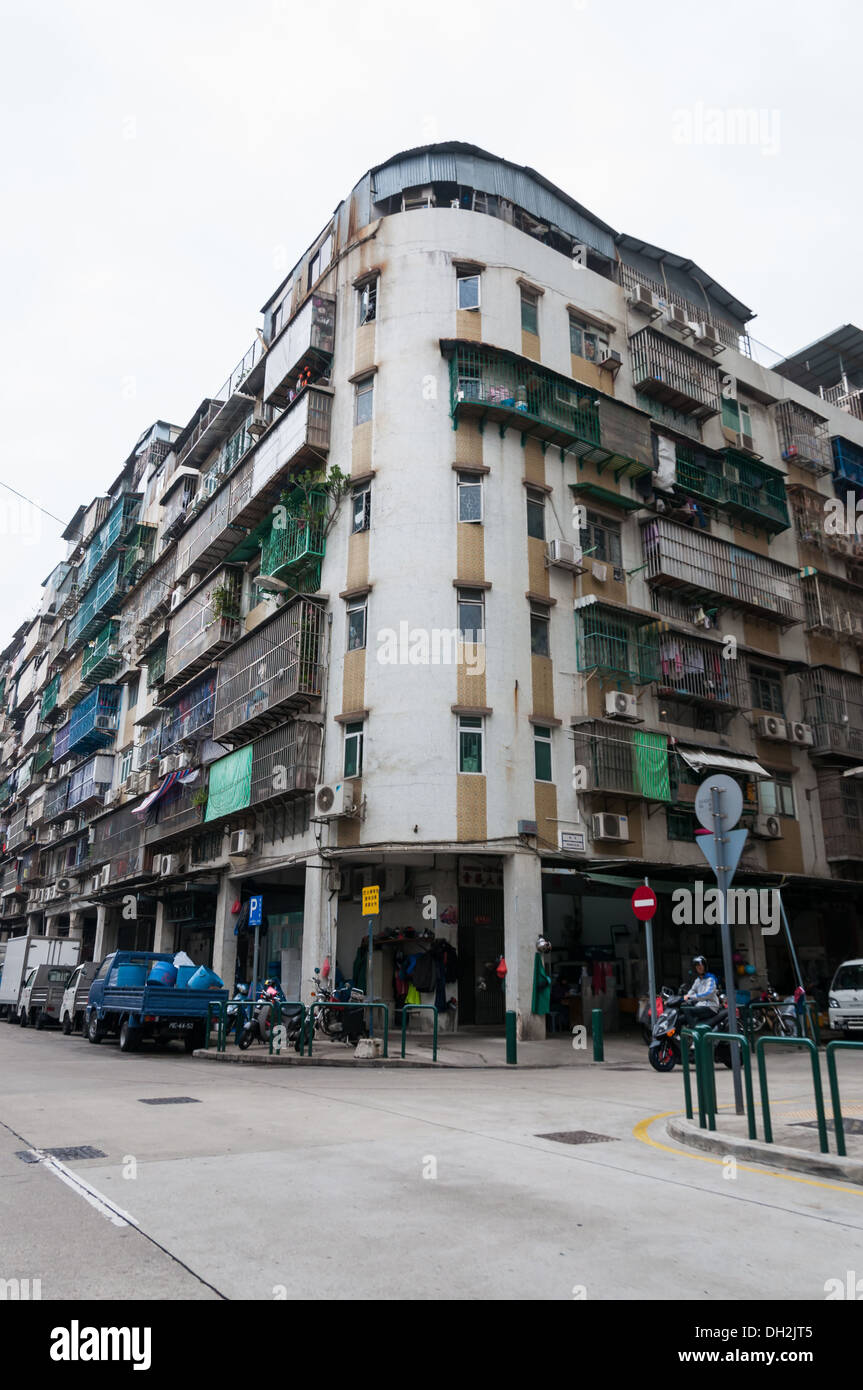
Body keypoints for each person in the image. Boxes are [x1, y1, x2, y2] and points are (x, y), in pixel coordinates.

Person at [680, 956, 720, 1027]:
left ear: (705, 966)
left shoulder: (710, 979)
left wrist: (691, 997)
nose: (699, 967)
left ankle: (696, 1033)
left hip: (710, 1006)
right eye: (697, 966)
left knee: (687, 1010)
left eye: (701, 965)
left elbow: (708, 994)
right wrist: (680, 999)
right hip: (701, 1006)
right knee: (680, 1018)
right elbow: (691, 991)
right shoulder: (697, 980)